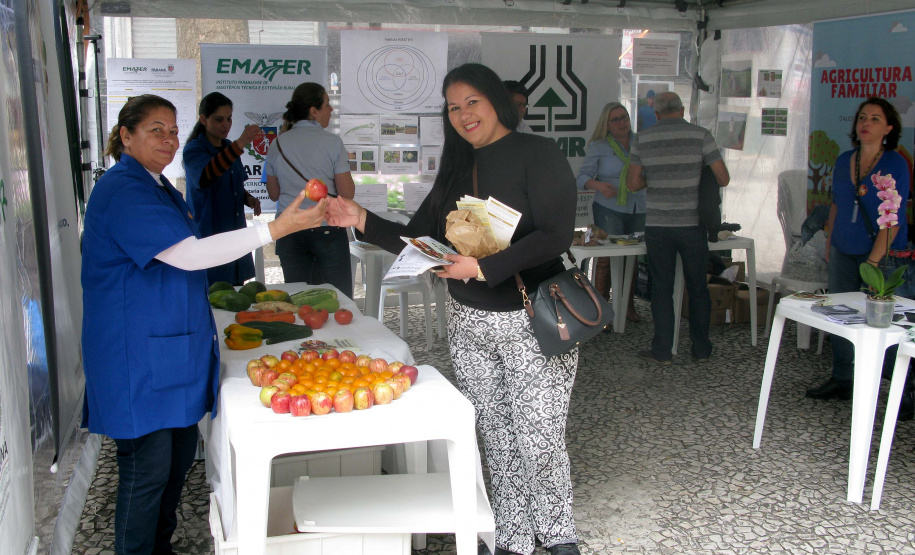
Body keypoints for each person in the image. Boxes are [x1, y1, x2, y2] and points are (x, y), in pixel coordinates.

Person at [327, 63, 581, 555]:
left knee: (538, 437)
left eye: (472, 102)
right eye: (453, 107)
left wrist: (483, 269)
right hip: (469, 322)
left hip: (531, 318)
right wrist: (360, 217)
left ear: (495, 101)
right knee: (496, 434)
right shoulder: (457, 167)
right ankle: (510, 535)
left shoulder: (537, 153)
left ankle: (556, 533)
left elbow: (556, 234)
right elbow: (419, 240)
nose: (464, 114)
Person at [81, 94, 327, 555]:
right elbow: (190, 255)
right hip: (139, 358)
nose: (169, 139)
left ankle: (160, 546)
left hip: (167, 352)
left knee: (174, 466)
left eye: (173, 130)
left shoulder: (156, 186)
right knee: (146, 470)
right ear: (127, 135)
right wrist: (274, 230)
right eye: (156, 129)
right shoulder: (123, 189)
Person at [805, 97, 914, 418]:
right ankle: (843, 378)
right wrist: (830, 244)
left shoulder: (894, 162)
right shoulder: (844, 160)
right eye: (862, 117)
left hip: (881, 256)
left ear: (889, 128)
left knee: (887, 325)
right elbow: (837, 204)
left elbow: (891, 217)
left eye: (875, 119)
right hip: (843, 250)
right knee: (840, 316)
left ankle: (903, 389)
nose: (865, 123)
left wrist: (875, 261)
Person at [627, 91, 730, 365]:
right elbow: (723, 177)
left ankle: (662, 350)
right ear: (683, 110)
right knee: (698, 287)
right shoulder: (701, 135)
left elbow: (633, 184)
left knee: (662, 288)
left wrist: (657, 177)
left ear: (657, 114)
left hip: (658, 225)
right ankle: (701, 348)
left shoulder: (643, 139)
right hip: (692, 224)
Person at [265, 82, 356, 296]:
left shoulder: (277, 144)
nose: (331, 110)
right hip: (327, 227)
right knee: (337, 299)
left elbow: (273, 194)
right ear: (313, 111)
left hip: (289, 231)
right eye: (327, 104)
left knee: (300, 299)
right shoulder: (333, 143)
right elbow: (347, 194)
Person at [183, 91, 263, 286]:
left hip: (235, 231)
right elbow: (207, 175)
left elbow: (236, 184)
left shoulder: (228, 147)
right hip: (210, 233)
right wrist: (241, 142)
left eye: (228, 119)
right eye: (219, 119)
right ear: (204, 119)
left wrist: (248, 199)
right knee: (213, 292)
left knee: (236, 294)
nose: (225, 124)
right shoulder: (194, 149)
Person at [577, 101, 646, 322]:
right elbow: (582, 178)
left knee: (632, 258)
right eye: (615, 119)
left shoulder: (641, 142)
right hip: (609, 207)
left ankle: (627, 306)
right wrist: (599, 186)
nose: (621, 123)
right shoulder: (599, 146)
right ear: (607, 124)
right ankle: (602, 310)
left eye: (624, 117)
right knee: (606, 257)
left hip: (639, 206)